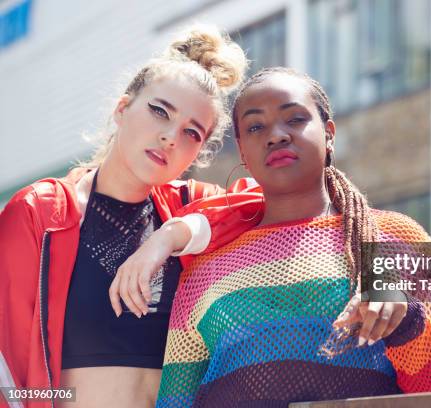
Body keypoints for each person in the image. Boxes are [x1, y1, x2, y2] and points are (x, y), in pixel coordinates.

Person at [150, 67, 431, 407]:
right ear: (243, 151)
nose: (276, 135)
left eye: (294, 119)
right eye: (256, 127)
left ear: (329, 133)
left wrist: (406, 323)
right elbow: (174, 401)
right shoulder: (203, 271)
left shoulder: (396, 238)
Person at [0, 25, 251, 408]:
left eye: (192, 133)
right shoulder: (39, 212)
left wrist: (166, 238)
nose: (170, 136)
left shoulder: (192, 208)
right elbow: (7, 373)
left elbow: (279, 203)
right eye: (159, 111)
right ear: (122, 109)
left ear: (198, 154)